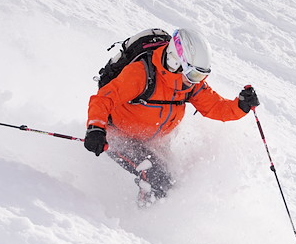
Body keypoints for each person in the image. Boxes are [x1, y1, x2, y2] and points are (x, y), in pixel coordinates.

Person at [84, 28, 260, 205]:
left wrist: (241, 106)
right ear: (175, 62)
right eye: (194, 74)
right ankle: (145, 222)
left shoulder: (189, 84)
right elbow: (104, 99)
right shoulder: (141, 73)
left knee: (176, 180)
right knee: (156, 176)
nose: (196, 81)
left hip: (155, 142)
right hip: (119, 136)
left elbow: (215, 107)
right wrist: (95, 129)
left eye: (201, 75)